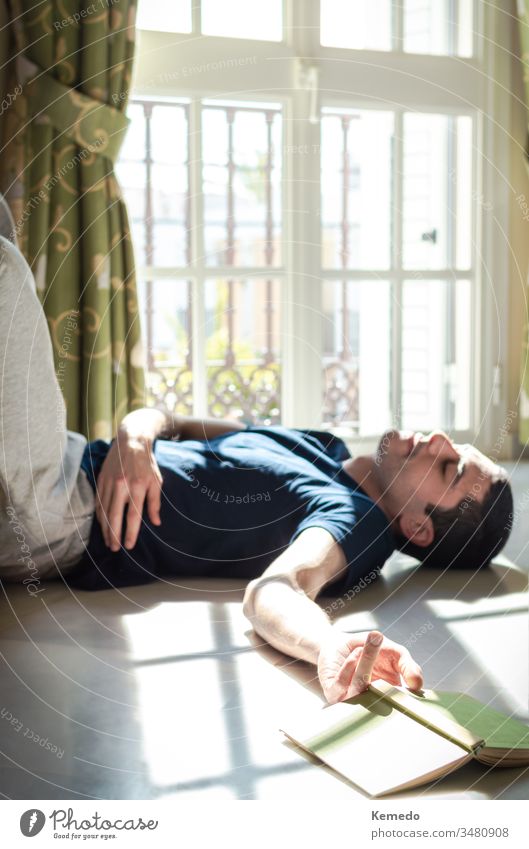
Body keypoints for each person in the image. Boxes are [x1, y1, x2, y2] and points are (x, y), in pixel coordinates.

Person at [0, 229, 514, 705]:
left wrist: (330, 646)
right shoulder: (325, 446)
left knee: (5, 264)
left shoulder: (356, 518)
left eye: (448, 468)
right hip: (70, 456)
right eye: (456, 448)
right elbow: (176, 421)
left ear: (418, 528)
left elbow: (277, 590)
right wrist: (136, 434)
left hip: (63, 510)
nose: (441, 439)